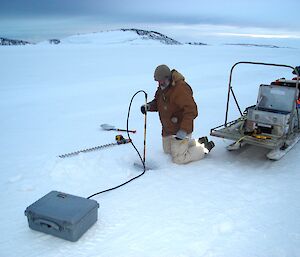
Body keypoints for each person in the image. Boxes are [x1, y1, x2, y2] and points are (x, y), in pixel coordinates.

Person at [140, 64, 214, 164]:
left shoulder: (180, 88)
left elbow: (191, 110)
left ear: (168, 77)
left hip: (181, 129)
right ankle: (198, 142)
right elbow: (158, 102)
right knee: (167, 151)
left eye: (161, 80)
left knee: (179, 159)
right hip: (168, 129)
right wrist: (149, 106)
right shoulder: (162, 88)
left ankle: (204, 148)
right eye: (158, 81)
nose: (159, 83)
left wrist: (183, 130)